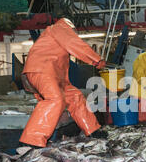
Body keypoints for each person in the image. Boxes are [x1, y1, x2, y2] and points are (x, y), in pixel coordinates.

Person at [19, 18, 107, 148]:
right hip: (42, 71)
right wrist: (95, 60)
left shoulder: (56, 37)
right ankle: (31, 141)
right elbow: (74, 43)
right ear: (70, 27)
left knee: (76, 96)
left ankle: (92, 130)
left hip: (54, 76)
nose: (74, 34)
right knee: (56, 100)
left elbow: (60, 66)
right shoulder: (59, 28)